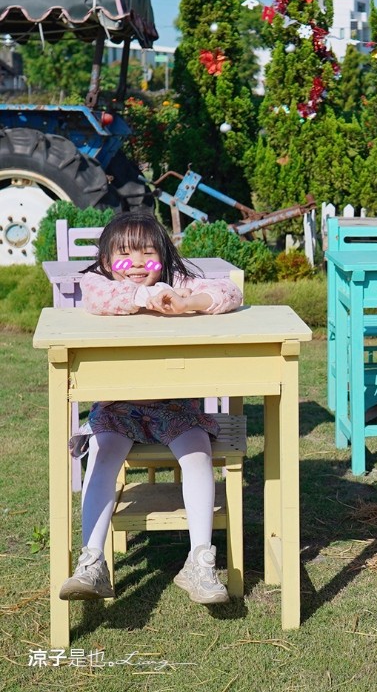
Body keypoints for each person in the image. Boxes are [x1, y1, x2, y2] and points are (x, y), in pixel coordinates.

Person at [58, 210, 243, 605]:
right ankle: (92, 562)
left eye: (147, 252)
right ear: (107, 261)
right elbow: (99, 298)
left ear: (163, 255)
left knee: (198, 454)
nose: (138, 263)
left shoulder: (177, 283)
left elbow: (231, 292)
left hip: (175, 406)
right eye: (125, 254)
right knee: (103, 456)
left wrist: (189, 302)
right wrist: (146, 296)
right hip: (118, 408)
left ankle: (200, 561)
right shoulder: (99, 283)